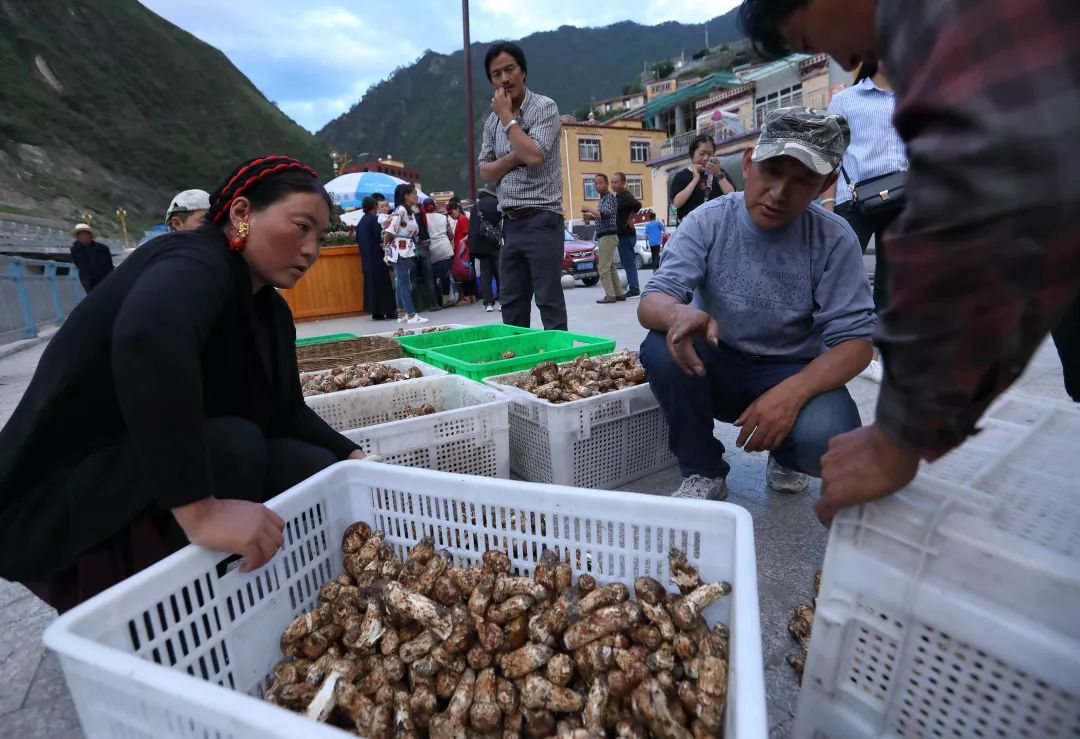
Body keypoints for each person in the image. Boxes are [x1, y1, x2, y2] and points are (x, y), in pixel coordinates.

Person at [737, 0, 1080, 525]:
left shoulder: (949, 21)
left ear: (827, 184)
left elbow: (977, 227)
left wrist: (900, 435)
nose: (846, 57)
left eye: (811, 41)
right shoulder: (710, 221)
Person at [0, 155, 370, 612]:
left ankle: (256, 606)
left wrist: (352, 457)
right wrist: (201, 512)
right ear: (241, 214)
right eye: (301, 227)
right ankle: (157, 617)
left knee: (310, 465)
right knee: (235, 444)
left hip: (142, 472)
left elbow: (286, 411)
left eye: (319, 234)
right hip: (67, 496)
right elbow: (147, 336)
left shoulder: (268, 310)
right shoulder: (193, 258)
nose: (311, 250)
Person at [638, 108, 875, 501]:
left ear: (826, 185)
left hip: (791, 368)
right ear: (748, 164)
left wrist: (794, 392)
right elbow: (652, 300)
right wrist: (679, 313)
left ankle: (788, 453)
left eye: (802, 181)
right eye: (772, 171)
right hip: (719, 360)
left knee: (831, 438)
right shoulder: (708, 220)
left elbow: (857, 345)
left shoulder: (834, 239)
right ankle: (703, 469)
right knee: (661, 345)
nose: (779, 193)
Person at [822, 61, 907, 384]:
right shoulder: (847, 100)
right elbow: (830, 152)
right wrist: (828, 201)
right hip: (854, 198)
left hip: (903, 198)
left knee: (890, 280)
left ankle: (875, 353)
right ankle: (828, 341)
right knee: (837, 272)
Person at [478, 41, 567, 330]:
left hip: (542, 218)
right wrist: (517, 156)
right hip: (510, 224)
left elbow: (535, 157)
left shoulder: (545, 108)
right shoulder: (491, 122)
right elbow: (485, 172)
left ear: (523, 71)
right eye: (496, 74)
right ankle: (517, 370)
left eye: (510, 69)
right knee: (512, 306)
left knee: (549, 302)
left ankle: (563, 369)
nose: (504, 79)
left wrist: (507, 117)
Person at [384, 184, 428, 325]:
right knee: (404, 282)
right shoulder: (401, 210)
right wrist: (386, 247)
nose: (416, 195)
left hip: (405, 248)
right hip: (399, 250)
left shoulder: (408, 211)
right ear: (406, 196)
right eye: (414, 193)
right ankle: (411, 315)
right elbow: (390, 230)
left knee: (401, 281)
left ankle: (401, 313)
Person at [669, 135, 736, 224]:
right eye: (701, 153)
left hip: (716, 228)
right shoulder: (681, 176)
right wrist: (695, 179)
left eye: (709, 154)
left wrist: (718, 173)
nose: (705, 158)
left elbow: (732, 196)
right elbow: (677, 203)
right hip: (690, 230)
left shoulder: (719, 173)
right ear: (692, 153)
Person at [581, 174, 624, 304]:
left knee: (603, 267)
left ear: (606, 184)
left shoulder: (610, 197)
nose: (597, 186)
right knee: (610, 267)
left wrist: (590, 209)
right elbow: (602, 217)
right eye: (595, 184)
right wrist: (591, 217)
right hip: (605, 235)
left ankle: (610, 296)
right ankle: (619, 294)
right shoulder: (603, 199)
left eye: (600, 183)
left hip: (608, 235)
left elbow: (605, 215)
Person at [356, 196, 396, 320]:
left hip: (366, 260)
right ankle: (389, 311)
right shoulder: (375, 220)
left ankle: (376, 312)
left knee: (372, 287)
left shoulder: (361, 222)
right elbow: (381, 238)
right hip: (377, 259)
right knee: (384, 286)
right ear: (374, 207)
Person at [468, 188, 502, 312]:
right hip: (497, 244)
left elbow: (472, 228)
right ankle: (503, 301)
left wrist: (473, 248)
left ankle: (488, 303)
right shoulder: (497, 203)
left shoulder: (476, 206)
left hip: (482, 247)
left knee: (485, 275)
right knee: (500, 273)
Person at [611, 172, 642, 297]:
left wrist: (631, 218)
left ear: (623, 183)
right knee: (626, 262)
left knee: (629, 262)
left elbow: (638, 205)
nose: (613, 185)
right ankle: (633, 287)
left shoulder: (625, 195)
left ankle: (634, 289)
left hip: (626, 235)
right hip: (622, 235)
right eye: (612, 182)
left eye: (616, 182)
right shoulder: (618, 196)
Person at [422, 198, 456, 305]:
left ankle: (437, 301)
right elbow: (450, 235)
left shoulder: (422, 219)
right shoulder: (443, 217)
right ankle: (445, 300)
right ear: (434, 206)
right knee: (445, 275)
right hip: (445, 248)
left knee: (432, 277)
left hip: (431, 251)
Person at [447, 199, 477, 305]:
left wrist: (461, 242)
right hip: (463, 251)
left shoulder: (463, 220)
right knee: (466, 272)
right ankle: (470, 296)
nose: (451, 215)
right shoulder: (461, 219)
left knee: (465, 272)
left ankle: (469, 296)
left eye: (452, 212)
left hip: (464, 251)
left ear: (457, 209)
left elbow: (468, 234)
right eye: (449, 213)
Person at [69, 223, 114, 293]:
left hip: (104, 280)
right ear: (78, 237)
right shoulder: (74, 249)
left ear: (91, 236)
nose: (84, 237)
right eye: (81, 235)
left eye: (86, 234)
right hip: (87, 281)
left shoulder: (103, 248)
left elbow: (109, 265)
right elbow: (77, 263)